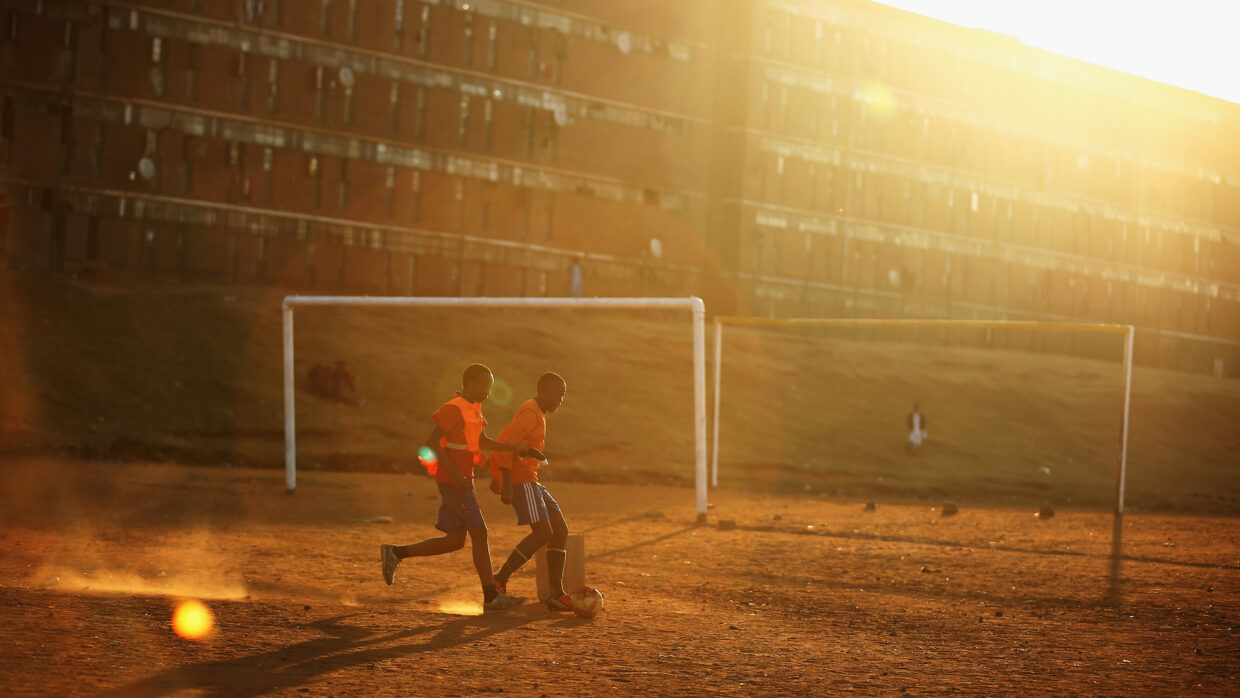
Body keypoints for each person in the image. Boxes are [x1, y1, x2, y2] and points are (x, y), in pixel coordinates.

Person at [378, 363, 545, 613]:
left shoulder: (474, 409)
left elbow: (482, 441)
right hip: (454, 481)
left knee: (455, 541)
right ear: (471, 383)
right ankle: (491, 597)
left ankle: (395, 553)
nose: (488, 391)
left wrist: (520, 449)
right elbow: (431, 443)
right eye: (485, 386)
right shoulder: (453, 409)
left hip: (463, 480)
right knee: (480, 533)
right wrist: (455, 475)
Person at [489, 372, 573, 611]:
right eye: (557, 394)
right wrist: (504, 481)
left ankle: (557, 594)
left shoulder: (538, 413)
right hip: (520, 480)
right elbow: (506, 445)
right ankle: (499, 579)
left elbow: (515, 445)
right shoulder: (530, 412)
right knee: (543, 532)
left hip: (530, 479)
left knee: (560, 530)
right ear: (543, 391)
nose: (560, 399)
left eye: (563, 395)